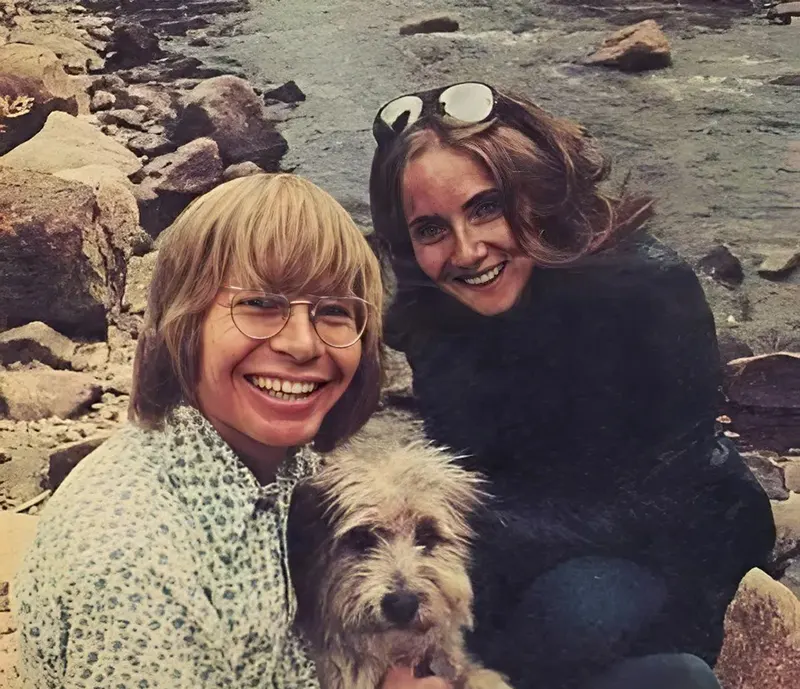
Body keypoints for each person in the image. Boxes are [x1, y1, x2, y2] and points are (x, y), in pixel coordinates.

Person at [368, 82, 776, 689]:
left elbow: (663, 497)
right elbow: (461, 466)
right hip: (526, 525)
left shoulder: (648, 290)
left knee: (573, 614)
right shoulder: (437, 310)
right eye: (431, 229)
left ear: (537, 191)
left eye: (486, 208)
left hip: (673, 535)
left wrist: (482, 535)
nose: (467, 250)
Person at [12, 174, 445, 689]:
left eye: (333, 311)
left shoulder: (282, 467)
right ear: (184, 322)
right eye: (260, 304)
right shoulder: (134, 564)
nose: (302, 344)